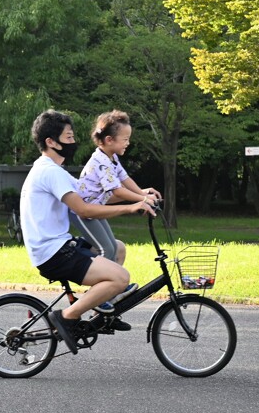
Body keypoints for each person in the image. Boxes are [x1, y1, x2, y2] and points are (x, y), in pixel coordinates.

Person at [19, 110, 155, 355]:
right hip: (54, 253)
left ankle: (100, 313)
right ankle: (66, 316)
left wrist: (141, 198)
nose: (74, 142)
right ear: (51, 142)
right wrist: (131, 206)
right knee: (120, 278)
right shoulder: (49, 172)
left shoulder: (54, 172)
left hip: (60, 246)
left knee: (119, 248)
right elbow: (82, 208)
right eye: (69, 137)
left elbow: (98, 198)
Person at [72, 110, 161, 264]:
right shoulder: (102, 162)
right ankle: (102, 283)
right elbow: (118, 191)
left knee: (113, 247)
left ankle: (113, 284)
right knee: (105, 249)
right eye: (125, 139)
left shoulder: (111, 157)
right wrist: (143, 198)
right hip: (83, 213)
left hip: (95, 209)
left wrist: (141, 192)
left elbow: (125, 178)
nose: (128, 143)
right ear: (109, 140)